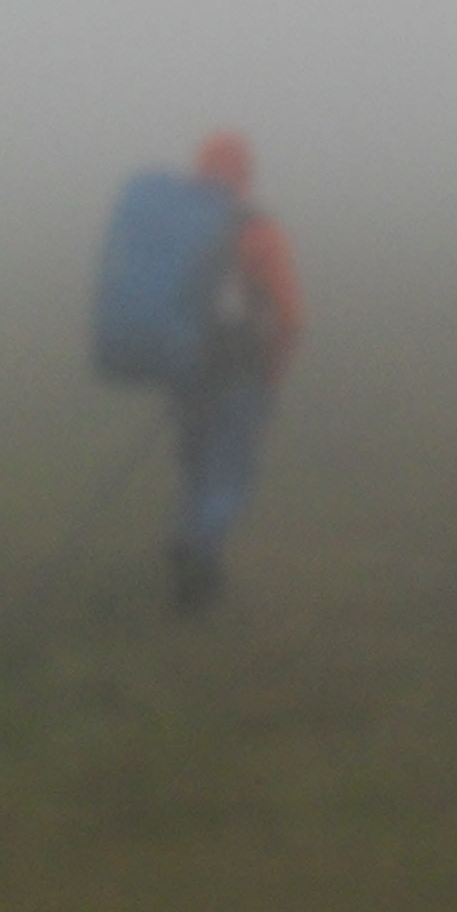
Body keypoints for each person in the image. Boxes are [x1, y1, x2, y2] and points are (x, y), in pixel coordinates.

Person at [167, 130, 303, 611]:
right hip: (242, 375)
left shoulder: (181, 228)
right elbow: (289, 315)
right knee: (228, 474)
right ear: (246, 173)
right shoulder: (260, 231)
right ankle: (199, 561)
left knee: (196, 467)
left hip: (187, 372)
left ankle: (188, 541)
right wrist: (274, 372)